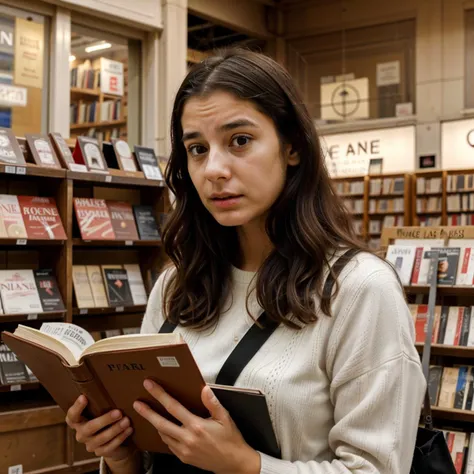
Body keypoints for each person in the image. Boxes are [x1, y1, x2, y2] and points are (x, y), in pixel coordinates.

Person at [66, 49, 426, 474]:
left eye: (239, 141)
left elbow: (377, 469)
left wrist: (247, 465)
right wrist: (122, 455)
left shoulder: (360, 289)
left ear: (291, 147)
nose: (214, 169)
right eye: (197, 149)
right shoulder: (174, 286)